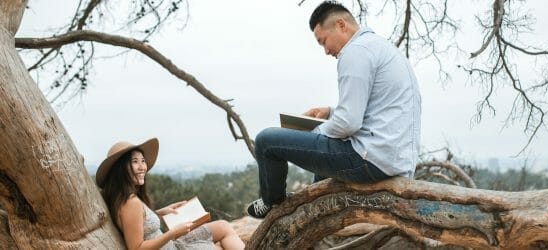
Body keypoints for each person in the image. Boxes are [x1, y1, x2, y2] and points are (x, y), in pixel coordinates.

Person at [246, 0, 421, 219]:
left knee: (266, 140)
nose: (326, 50)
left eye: (323, 41)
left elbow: (348, 123)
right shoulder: (380, 47)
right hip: (395, 160)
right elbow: (376, 107)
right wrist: (330, 111)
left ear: (341, 25)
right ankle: (309, 218)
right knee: (322, 166)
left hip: (370, 159)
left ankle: (273, 203)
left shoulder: (355, 52)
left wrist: (312, 133)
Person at [95, 138, 245, 250]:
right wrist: (173, 233)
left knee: (223, 227)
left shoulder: (122, 199)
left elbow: (135, 223)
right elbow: (137, 248)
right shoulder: (130, 202)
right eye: (135, 162)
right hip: (170, 245)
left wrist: (161, 212)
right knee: (221, 242)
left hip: (170, 245)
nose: (142, 167)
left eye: (143, 161)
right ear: (121, 168)